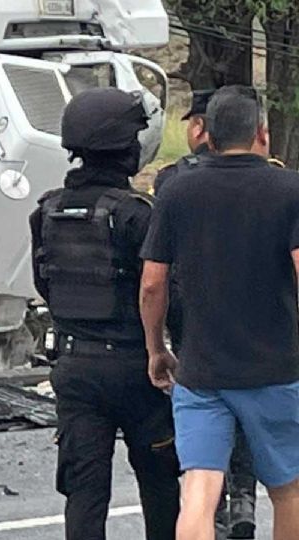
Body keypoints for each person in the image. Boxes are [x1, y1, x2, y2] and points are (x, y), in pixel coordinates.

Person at [141, 85, 299, 540]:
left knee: (199, 489)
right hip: (275, 368)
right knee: (287, 490)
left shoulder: (176, 190)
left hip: (200, 370)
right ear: (262, 134)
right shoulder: (289, 190)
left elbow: (152, 284)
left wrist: (157, 348)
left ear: (205, 134)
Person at [30, 87, 180, 540]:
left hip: (74, 366)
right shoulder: (137, 214)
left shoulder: (47, 211)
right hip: (137, 366)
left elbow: (45, 282)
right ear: (125, 149)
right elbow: (162, 289)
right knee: (159, 482)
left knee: (85, 492)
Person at [155, 89, 259, 540]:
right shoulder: (274, 179)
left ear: (202, 128)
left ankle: (212, 505)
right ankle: (244, 495)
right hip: (259, 317)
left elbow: (154, 274)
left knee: (206, 424)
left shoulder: (171, 181)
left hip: (191, 318)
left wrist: (154, 342)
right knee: (255, 411)